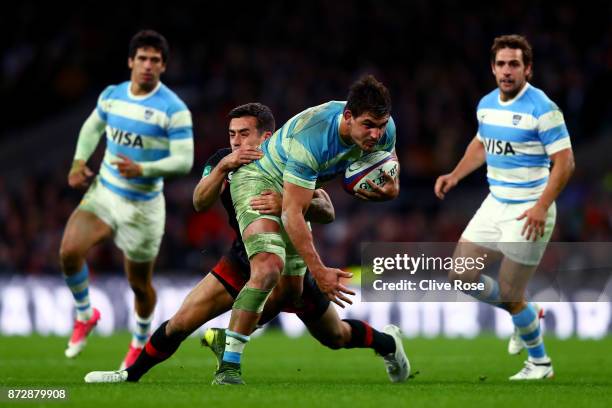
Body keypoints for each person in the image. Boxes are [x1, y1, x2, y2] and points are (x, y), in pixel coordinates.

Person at [83, 103, 409, 384]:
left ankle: (387, 343)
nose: (236, 141)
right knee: (182, 321)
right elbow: (199, 200)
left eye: (244, 134)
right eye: (232, 134)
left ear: (266, 137)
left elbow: (327, 210)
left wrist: (287, 202)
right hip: (243, 257)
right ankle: (129, 375)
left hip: (290, 267)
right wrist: (224, 166)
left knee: (335, 337)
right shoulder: (223, 160)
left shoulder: (290, 160)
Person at [217, 75, 401, 385]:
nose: (376, 133)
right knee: (268, 265)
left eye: (381, 125)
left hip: (298, 191)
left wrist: (389, 190)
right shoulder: (312, 137)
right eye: (368, 125)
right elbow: (291, 213)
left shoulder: (385, 130)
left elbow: (392, 177)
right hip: (259, 179)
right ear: (347, 117)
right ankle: (229, 365)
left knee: (327, 329)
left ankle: (388, 344)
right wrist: (321, 271)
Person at [434, 34, 574, 380]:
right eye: (501, 64)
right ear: (493, 68)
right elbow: (481, 145)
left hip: (530, 209)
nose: (507, 71)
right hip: (494, 203)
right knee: (461, 275)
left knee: (511, 292)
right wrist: (455, 174)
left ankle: (540, 363)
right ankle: (526, 312)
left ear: (528, 69)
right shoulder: (486, 104)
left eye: (514, 64)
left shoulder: (543, 109)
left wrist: (542, 206)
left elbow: (565, 163)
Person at [59, 29, 193, 369]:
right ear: (131, 61)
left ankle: (140, 338)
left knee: (139, 285)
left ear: (163, 67)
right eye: (142, 58)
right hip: (105, 193)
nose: (148, 65)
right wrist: (78, 161)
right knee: (69, 251)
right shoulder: (113, 95)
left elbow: (184, 160)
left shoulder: (173, 109)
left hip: (143, 208)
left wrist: (144, 168)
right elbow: (92, 127)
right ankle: (86, 314)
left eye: (155, 60)